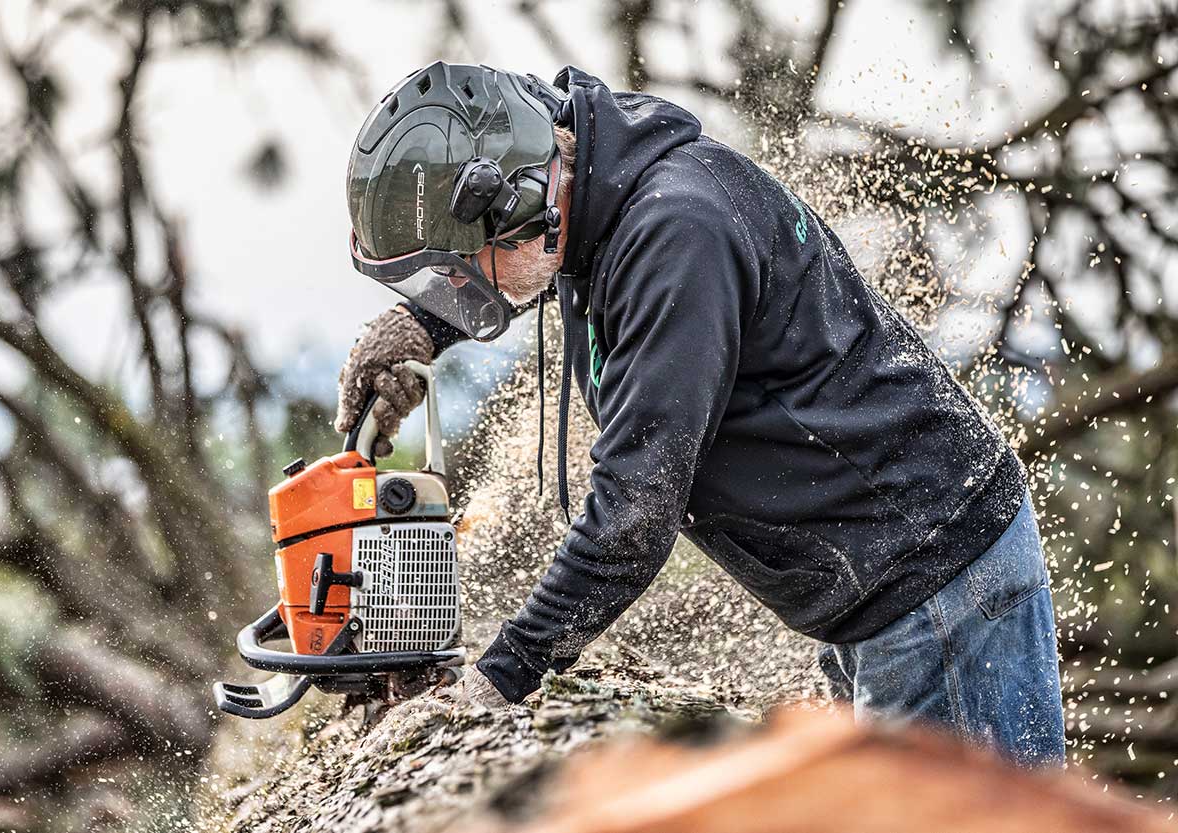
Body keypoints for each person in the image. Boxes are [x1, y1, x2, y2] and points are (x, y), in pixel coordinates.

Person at [337, 61, 1066, 766]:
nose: (458, 288)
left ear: (516, 203)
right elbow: (537, 257)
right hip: (882, 591)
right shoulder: (593, 188)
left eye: (455, 270)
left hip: (936, 585)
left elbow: (634, 517)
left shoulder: (677, 234)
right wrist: (422, 327)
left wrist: (499, 678)